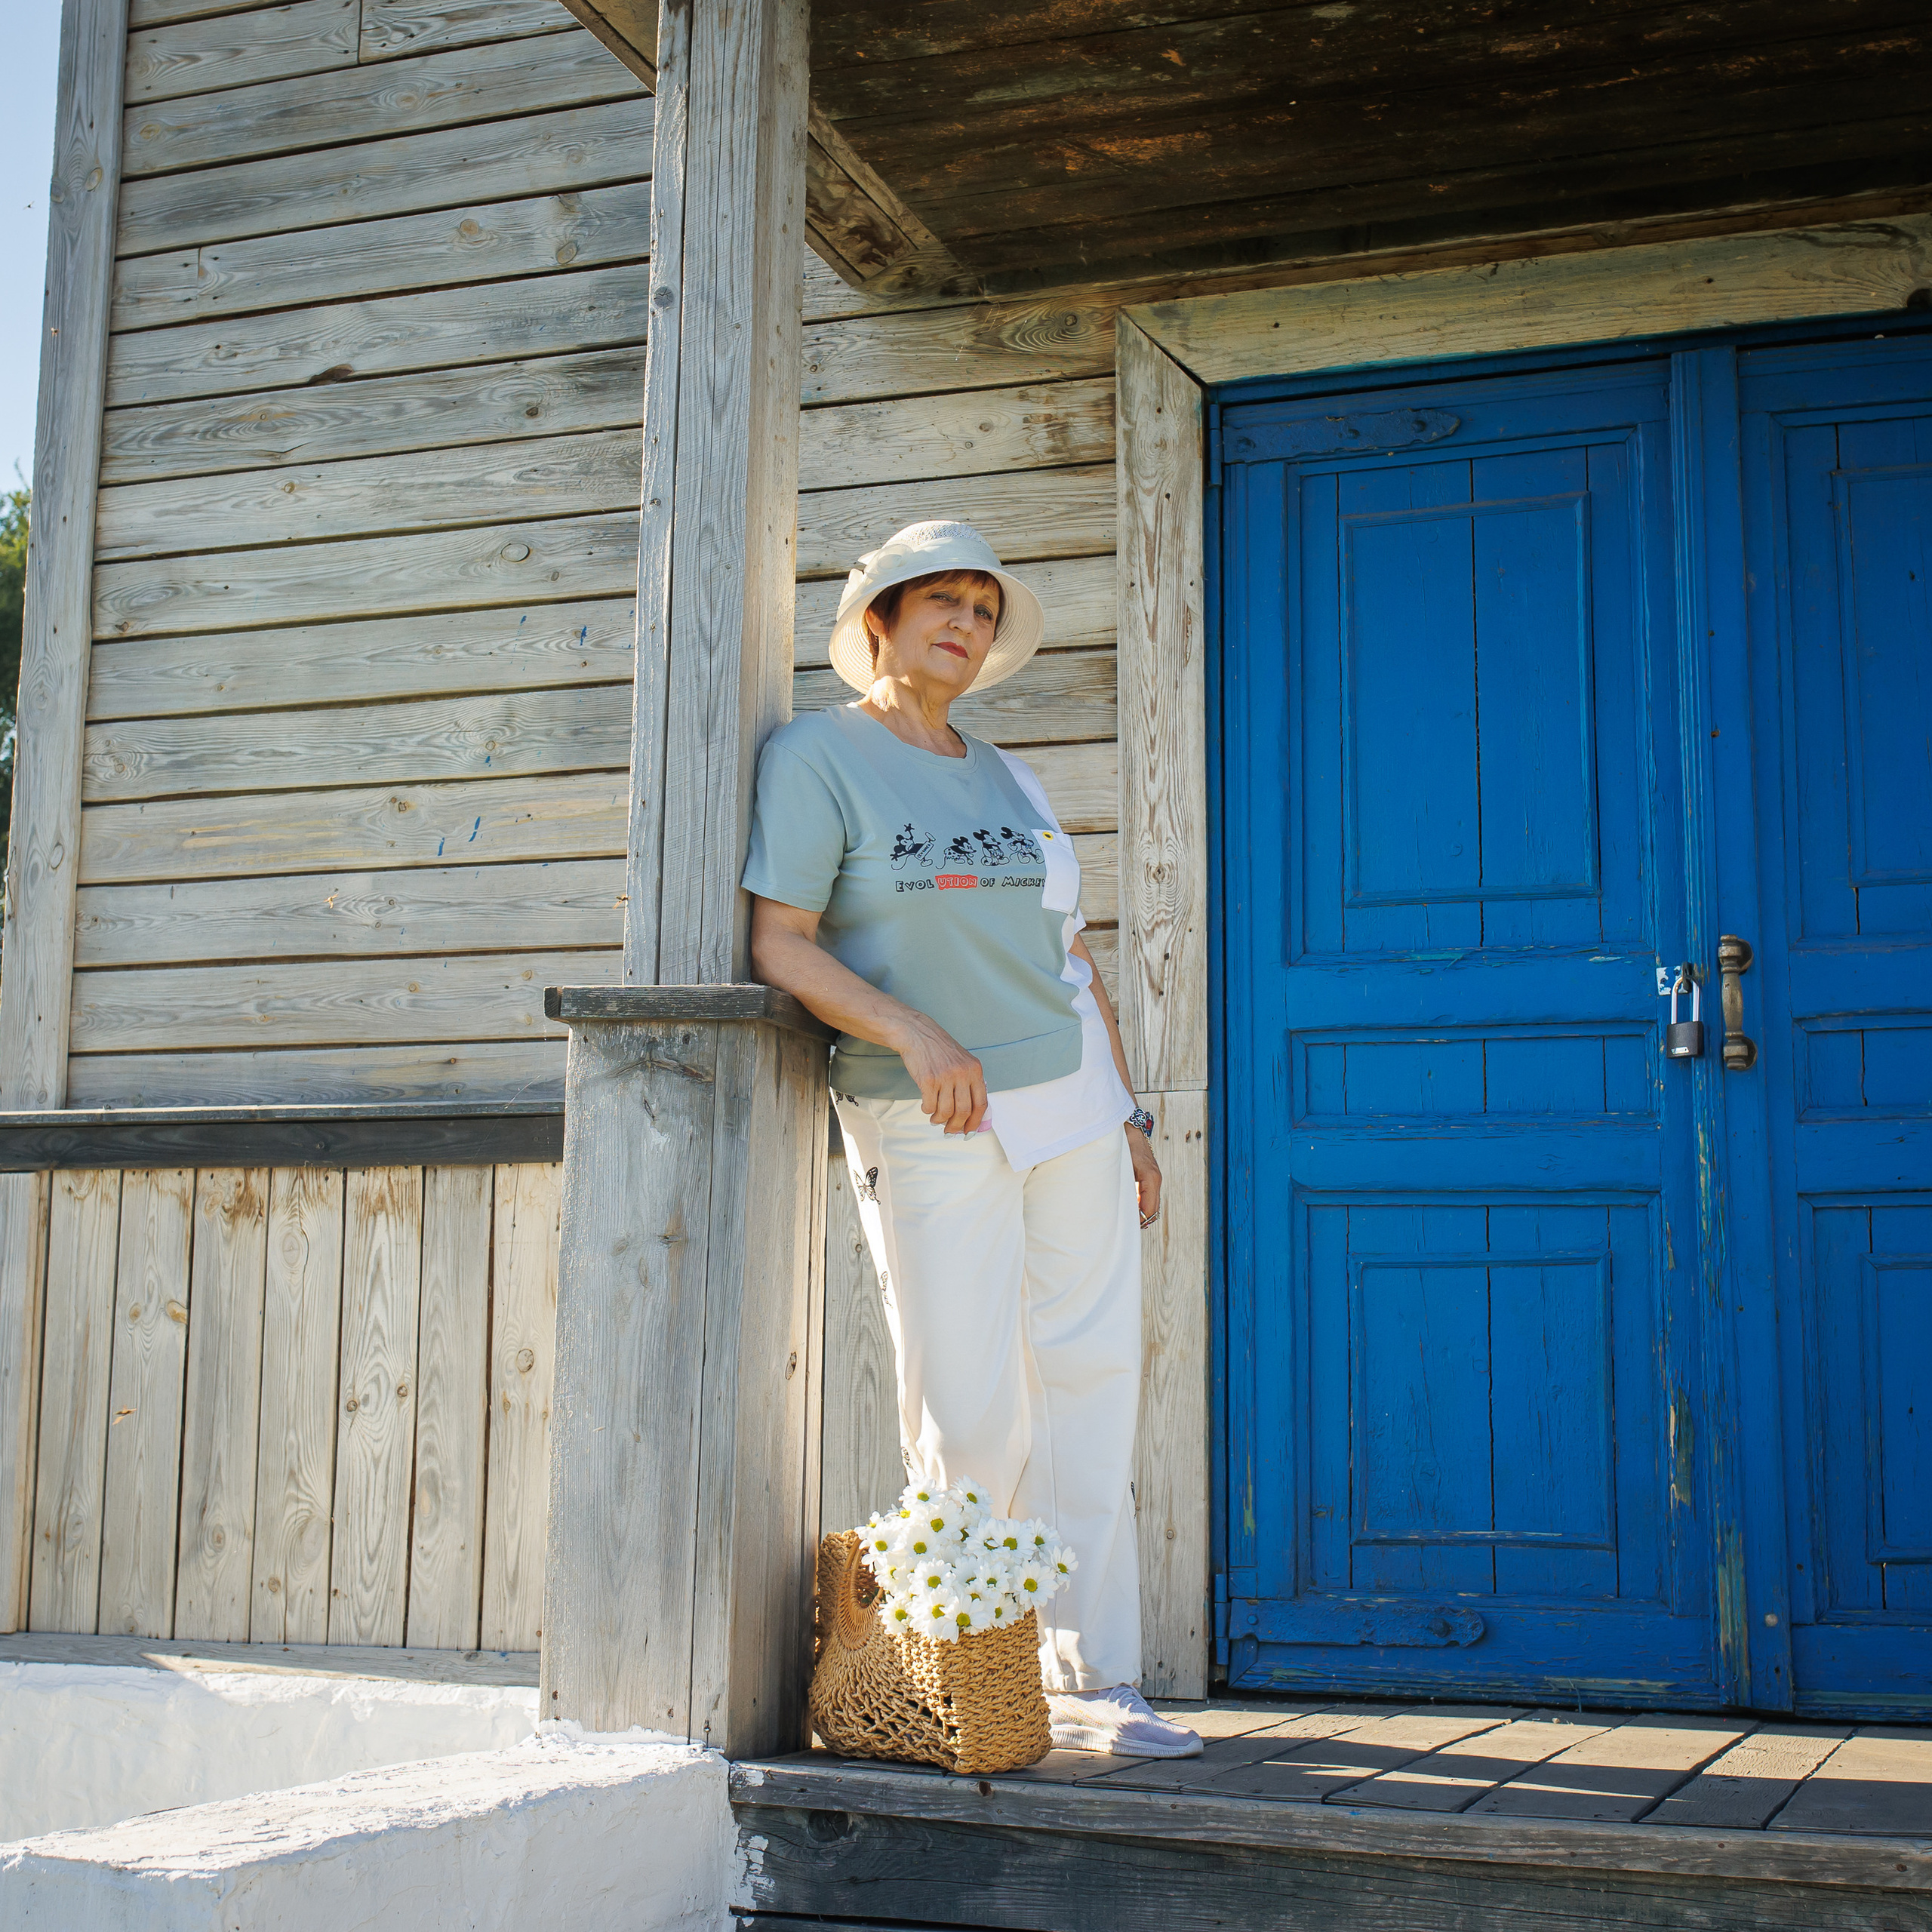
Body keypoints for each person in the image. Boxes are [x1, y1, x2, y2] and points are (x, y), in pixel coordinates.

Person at [743, 520, 1201, 1759]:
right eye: (937, 599)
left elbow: (1071, 961)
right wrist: (918, 1035)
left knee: (1094, 1387)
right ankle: (967, 1682)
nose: (965, 622)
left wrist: (1128, 1115)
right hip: (925, 1108)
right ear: (876, 624)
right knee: (968, 1406)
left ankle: (1096, 1680)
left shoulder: (1012, 780)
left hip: (1073, 1109)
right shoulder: (815, 758)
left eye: (984, 609)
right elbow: (782, 940)